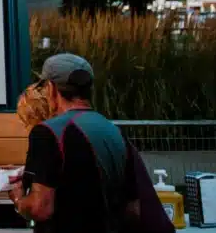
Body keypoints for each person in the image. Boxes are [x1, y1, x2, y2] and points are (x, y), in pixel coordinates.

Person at [9, 53, 144, 233]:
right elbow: (133, 211)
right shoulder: (114, 131)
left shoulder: (47, 132)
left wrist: (19, 199)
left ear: (51, 88)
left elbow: (40, 208)